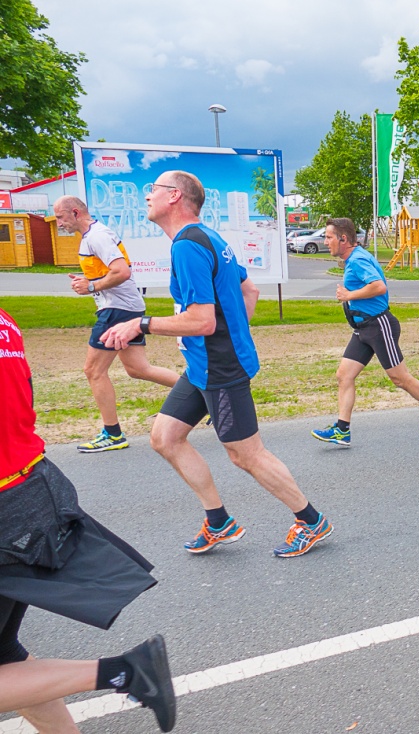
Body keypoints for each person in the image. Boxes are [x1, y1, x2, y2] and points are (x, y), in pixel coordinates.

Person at [101, 171, 333, 558]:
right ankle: (219, 521)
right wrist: (235, 332)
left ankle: (310, 521)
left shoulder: (188, 246)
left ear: (174, 196)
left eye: (152, 190)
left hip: (218, 366)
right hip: (202, 364)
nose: (147, 197)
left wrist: (139, 324)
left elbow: (202, 321)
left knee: (246, 454)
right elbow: (249, 289)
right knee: (165, 438)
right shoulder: (208, 238)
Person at [0, 305, 176, 732]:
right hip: (29, 487)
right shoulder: (4, 320)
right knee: (5, 657)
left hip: (7, 503)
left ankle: (125, 671)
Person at [52, 196, 179, 453]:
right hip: (123, 308)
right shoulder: (90, 236)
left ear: (75, 212)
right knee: (138, 369)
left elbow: (122, 271)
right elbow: (108, 272)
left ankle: (113, 434)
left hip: (117, 310)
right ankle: (205, 395)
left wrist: (91, 286)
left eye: (60, 217)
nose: (58, 223)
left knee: (93, 370)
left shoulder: (97, 235)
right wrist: (89, 280)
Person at [310, 218, 419, 446]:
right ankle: (342, 430)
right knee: (344, 375)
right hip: (363, 328)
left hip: (379, 326)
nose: (325, 242)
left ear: (343, 239)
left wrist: (348, 296)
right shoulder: (353, 259)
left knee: (399, 378)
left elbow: (379, 286)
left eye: (328, 237)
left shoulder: (357, 260)